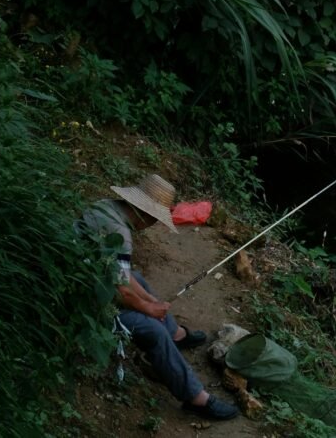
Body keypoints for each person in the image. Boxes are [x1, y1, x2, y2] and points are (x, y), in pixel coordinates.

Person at [79, 174, 239, 421]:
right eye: (155, 220)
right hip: (85, 300)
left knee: (138, 279)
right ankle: (196, 399)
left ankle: (176, 335)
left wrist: (149, 301)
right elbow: (118, 291)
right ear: (146, 215)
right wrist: (148, 308)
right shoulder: (121, 234)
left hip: (86, 277)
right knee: (153, 330)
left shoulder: (105, 207)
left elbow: (117, 273)